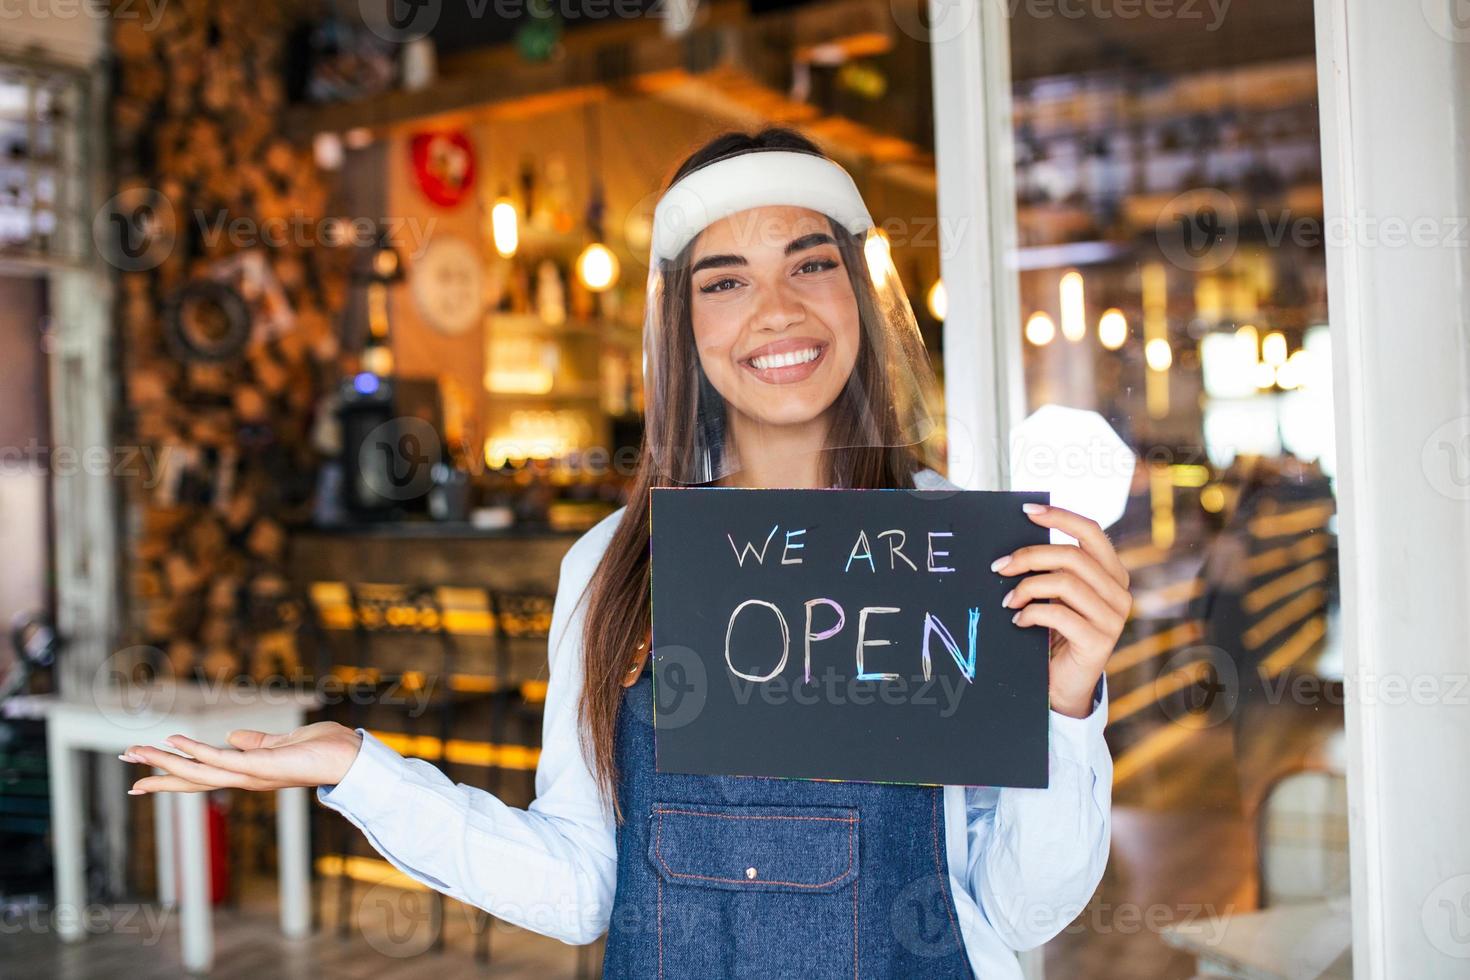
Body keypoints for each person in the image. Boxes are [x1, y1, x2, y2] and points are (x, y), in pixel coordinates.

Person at [121, 127, 1131, 978]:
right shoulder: (614, 565)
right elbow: (581, 886)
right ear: (683, 327)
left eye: (810, 262)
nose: (777, 309)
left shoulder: (960, 552)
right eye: (725, 280)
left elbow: (1023, 905)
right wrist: (356, 765)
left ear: (858, 297)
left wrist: (1068, 703)